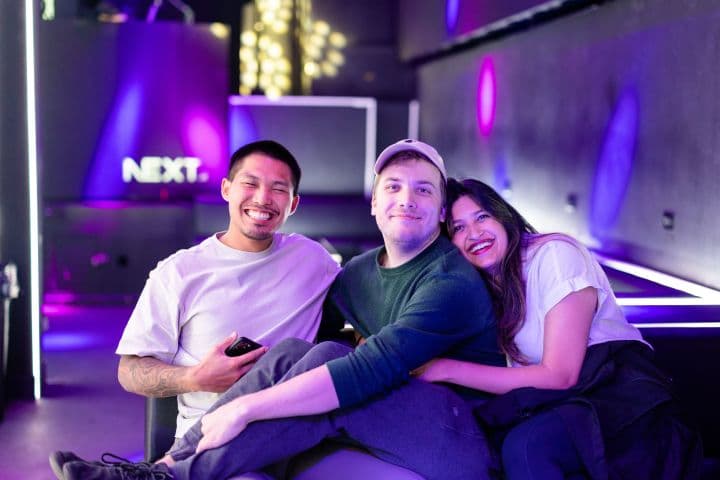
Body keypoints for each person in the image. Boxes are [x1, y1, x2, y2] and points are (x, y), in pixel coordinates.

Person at [52, 139, 506, 480]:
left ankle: (172, 475)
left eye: (423, 190)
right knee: (289, 352)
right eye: (393, 187)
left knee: (329, 362)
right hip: (387, 416)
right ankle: (160, 468)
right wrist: (198, 381)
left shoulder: (449, 282)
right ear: (374, 202)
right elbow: (326, 340)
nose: (406, 199)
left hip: (460, 434)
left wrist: (245, 409)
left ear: (442, 210)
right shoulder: (358, 272)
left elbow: (368, 366)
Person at [48, 140, 340, 478]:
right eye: (250, 183)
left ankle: (148, 474)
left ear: (293, 204)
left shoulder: (312, 260)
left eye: (278, 189)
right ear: (226, 189)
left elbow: (369, 293)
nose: (262, 198)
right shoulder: (179, 272)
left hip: (286, 432)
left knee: (297, 356)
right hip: (206, 438)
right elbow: (129, 371)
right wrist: (195, 377)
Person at [412, 178, 703, 479]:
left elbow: (560, 375)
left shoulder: (553, 254)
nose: (473, 233)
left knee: (527, 447)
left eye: (482, 217)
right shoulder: (487, 289)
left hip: (618, 400)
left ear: (503, 216)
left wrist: (446, 369)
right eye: (458, 228)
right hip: (566, 403)